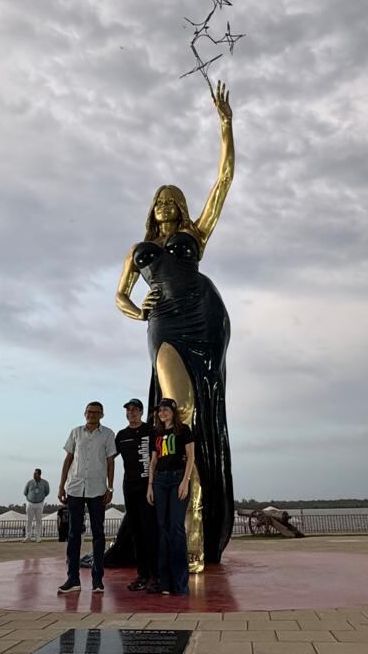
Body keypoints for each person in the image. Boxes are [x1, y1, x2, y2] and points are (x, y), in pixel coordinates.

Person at [114, 84, 236, 571]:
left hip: (203, 315)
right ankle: (178, 528)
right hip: (163, 322)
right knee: (177, 407)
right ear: (152, 208)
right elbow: (119, 295)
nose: (165, 202)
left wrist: (226, 127)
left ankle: (194, 538)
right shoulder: (139, 249)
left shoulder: (195, 234)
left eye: (173, 197)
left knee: (191, 415)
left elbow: (222, 183)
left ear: (180, 206)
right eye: (159, 198)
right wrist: (136, 310)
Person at [57, 402, 117, 594]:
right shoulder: (76, 432)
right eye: (89, 412)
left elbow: (110, 462)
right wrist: (61, 485)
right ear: (84, 413)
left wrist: (110, 487)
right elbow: (68, 459)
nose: (92, 415)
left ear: (102, 415)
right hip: (75, 488)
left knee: (98, 534)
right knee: (74, 534)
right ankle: (72, 579)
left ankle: (97, 579)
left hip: (97, 489)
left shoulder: (108, 435)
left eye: (96, 413)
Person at [147, 399, 195, 596]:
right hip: (159, 481)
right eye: (159, 410)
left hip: (177, 479)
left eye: (165, 409)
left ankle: (180, 583)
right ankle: (164, 582)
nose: (162, 413)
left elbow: (191, 457)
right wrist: (149, 485)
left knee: (176, 527)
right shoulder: (156, 433)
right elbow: (153, 460)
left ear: (173, 411)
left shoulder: (183, 430)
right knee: (163, 528)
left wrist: (185, 481)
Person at [115, 398, 158, 590]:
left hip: (149, 487)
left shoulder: (152, 431)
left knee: (151, 530)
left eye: (134, 410)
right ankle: (142, 575)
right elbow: (108, 457)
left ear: (141, 412)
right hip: (130, 487)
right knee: (136, 532)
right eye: (128, 410)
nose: (131, 413)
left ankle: (157, 575)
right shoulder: (121, 435)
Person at [23, 468, 49, 543]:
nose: (34, 475)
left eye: (35, 474)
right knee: (28, 520)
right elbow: (25, 492)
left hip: (39, 503)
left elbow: (47, 492)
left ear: (39, 474)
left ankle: (37, 537)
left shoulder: (45, 483)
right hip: (30, 503)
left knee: (38, 520)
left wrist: (40, 497)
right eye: (33, 473)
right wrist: (30, 497)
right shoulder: (29, 482)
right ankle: (28, 537)